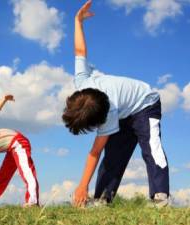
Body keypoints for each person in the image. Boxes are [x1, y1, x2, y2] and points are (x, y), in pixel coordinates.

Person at [62, 0, 169, 207]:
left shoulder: (108, 112)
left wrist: (82, 185)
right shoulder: (82, 82)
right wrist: (77, 21)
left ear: (101, 119)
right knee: (114, 155)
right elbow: (80, 50)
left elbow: (94, 151)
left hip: (146, 103)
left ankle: (160, 197)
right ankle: (102, 200)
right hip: (124, 110)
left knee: (151, 147)